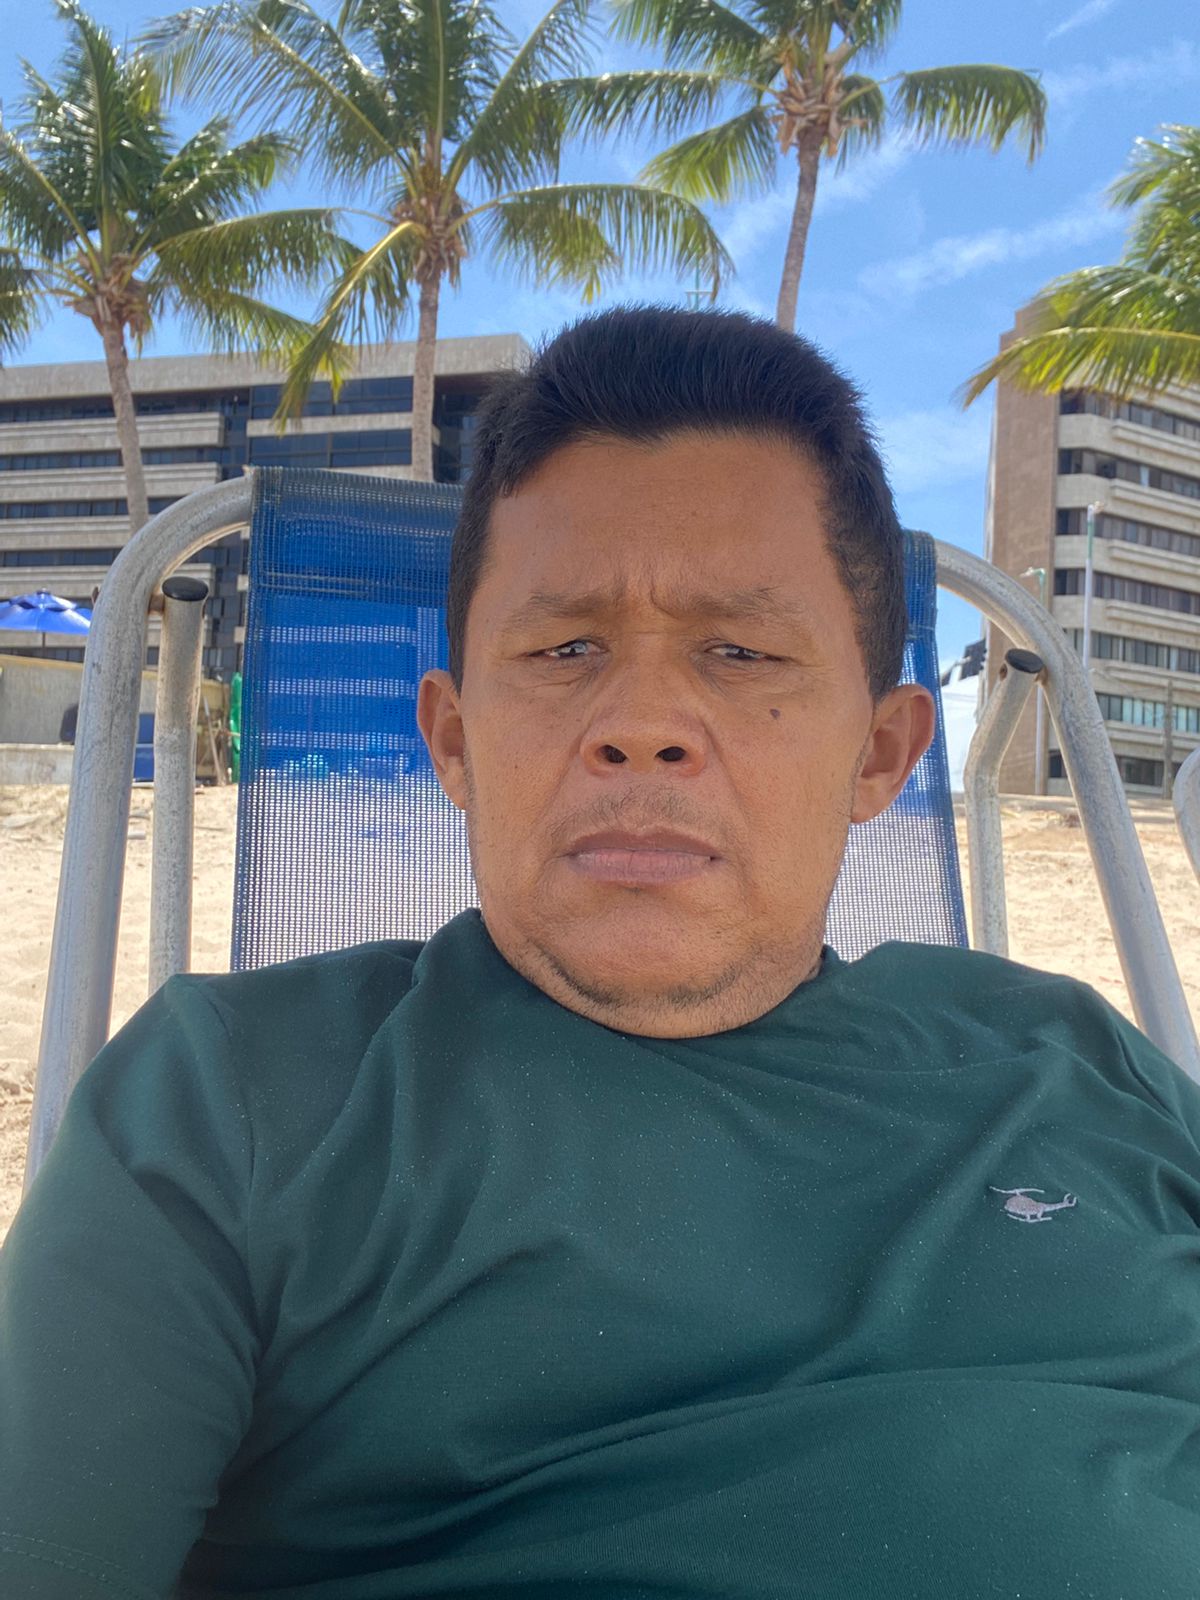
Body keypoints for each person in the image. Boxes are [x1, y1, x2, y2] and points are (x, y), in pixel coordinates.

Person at [2, 307, 1198, 1600]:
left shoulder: (1080, 1063)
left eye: (739, 651)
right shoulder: (231, 1106)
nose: (641, 724)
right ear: (455, 742)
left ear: (881, 755)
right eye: (565, 649)